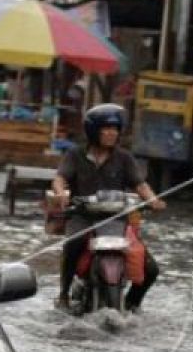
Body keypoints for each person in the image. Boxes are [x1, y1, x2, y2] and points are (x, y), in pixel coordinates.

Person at [50, 104, 166, 313]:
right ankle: (63, 294)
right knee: (73, 244)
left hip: (117, 219)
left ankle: (133, 303)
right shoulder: (75, 155)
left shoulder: (124, 157)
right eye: (107, 128)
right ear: (93, 131)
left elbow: (140, 184)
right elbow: (60, 178)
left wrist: (152, 199)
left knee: (151, 269)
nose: (112, 133)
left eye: (115, 129)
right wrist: (60, 193)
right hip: (82, 216)